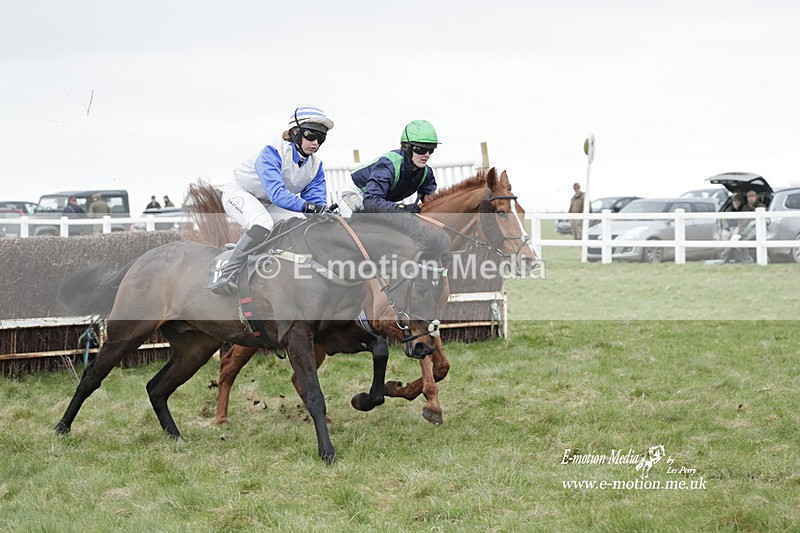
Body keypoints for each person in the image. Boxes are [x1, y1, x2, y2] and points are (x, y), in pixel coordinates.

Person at [211, 104, 333, 295]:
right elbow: (277, 194)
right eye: (311, 135)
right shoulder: (272, 151)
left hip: (270, 202)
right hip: (241, 193)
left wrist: (322, 212)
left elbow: (315, 200)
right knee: (263, 223)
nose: (316, 142)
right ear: (295, 133)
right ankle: (228, 272)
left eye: (321, 138)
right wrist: (309, 206)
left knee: (301, 223)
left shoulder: (315, 166)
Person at [342, 119, 439, 215]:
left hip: (379, 200)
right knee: (367, 225)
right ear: (406, 147)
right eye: (420, 149)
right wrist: (403, 208)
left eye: (431, 150)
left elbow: (430, 200)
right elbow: (370, 202)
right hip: (357, 194)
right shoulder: (389, 165)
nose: (427, 155)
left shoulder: (426, 173)